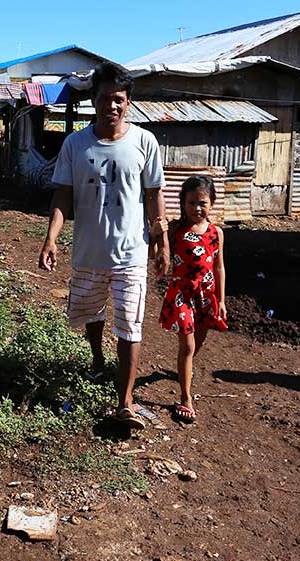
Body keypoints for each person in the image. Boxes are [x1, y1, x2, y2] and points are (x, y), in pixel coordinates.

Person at [38, 61, 167, 430]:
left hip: (131, 252)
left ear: (129, 103)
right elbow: (63, 194)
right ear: (93, 100)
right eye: (106, 99)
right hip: (88, 252)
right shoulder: (75, 144)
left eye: (120, 100)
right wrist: (51, 238)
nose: (112, 106)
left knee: (130, 324)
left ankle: (125, 400)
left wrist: (162, 243)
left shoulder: (144, 142)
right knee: (91, 313)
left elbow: (155, 195)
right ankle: (97, 361)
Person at [159, 176, 227, 423]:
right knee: (187, 347)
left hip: (206, 295)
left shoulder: (216, 233)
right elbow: (156, 253)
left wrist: (220, 300)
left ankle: (182, 368)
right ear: (182, 203)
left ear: (212, 203)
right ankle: (186, 397)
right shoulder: (176, 230)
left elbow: (219, 268)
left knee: (197, 343)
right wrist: (157, 237)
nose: (197, 208)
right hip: (182, 294)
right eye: (191, 203)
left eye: (202, 203)